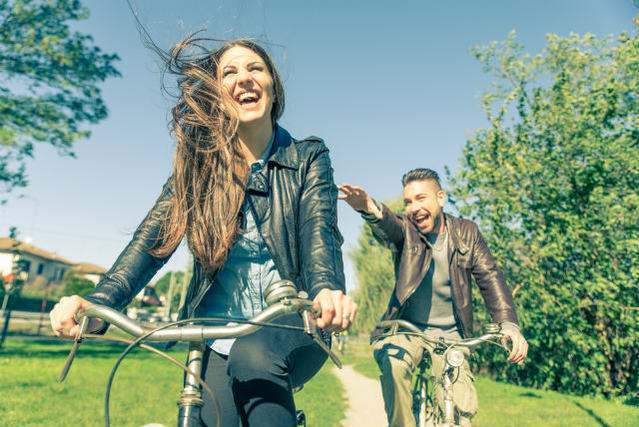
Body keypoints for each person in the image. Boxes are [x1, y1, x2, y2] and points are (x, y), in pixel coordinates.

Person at [49, 38, 356, 427]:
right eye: (230, 72)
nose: (244, 78)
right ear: (217, 93)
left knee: (253, 356)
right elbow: (151, 241)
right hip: (215, 330)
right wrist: (97, 304)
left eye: (255, 69)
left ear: (274, 86)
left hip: (293, 319)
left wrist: (325, 289)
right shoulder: (199, 165)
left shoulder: (308, 156)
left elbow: (319, 230)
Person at [339, 168, 527, 427]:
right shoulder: (408, 232)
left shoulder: (467, 233)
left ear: (440, 197)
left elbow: (490, 276)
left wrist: (509, 325)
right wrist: (369, 208)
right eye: (408, 202)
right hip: (408, 330)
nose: (414, 208)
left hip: (452, 336)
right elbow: (390, 226)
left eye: (421, 198)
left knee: (461, 414)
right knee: (394, 363)